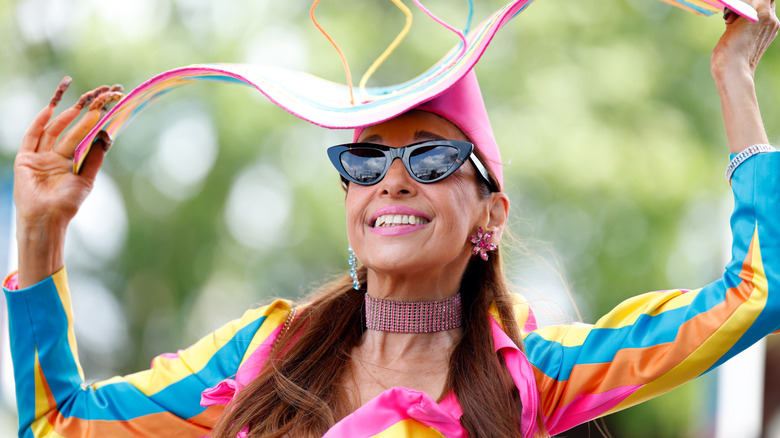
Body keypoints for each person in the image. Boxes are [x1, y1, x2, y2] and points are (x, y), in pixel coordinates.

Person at [5, 0, 780, 436]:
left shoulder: (535, 375)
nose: (394, 181)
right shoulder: (261, 359)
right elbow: (60, 427)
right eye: (366, 163)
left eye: (435, 159)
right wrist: (41, 234)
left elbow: (755, 292)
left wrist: (735, 75)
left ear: (491, 215)